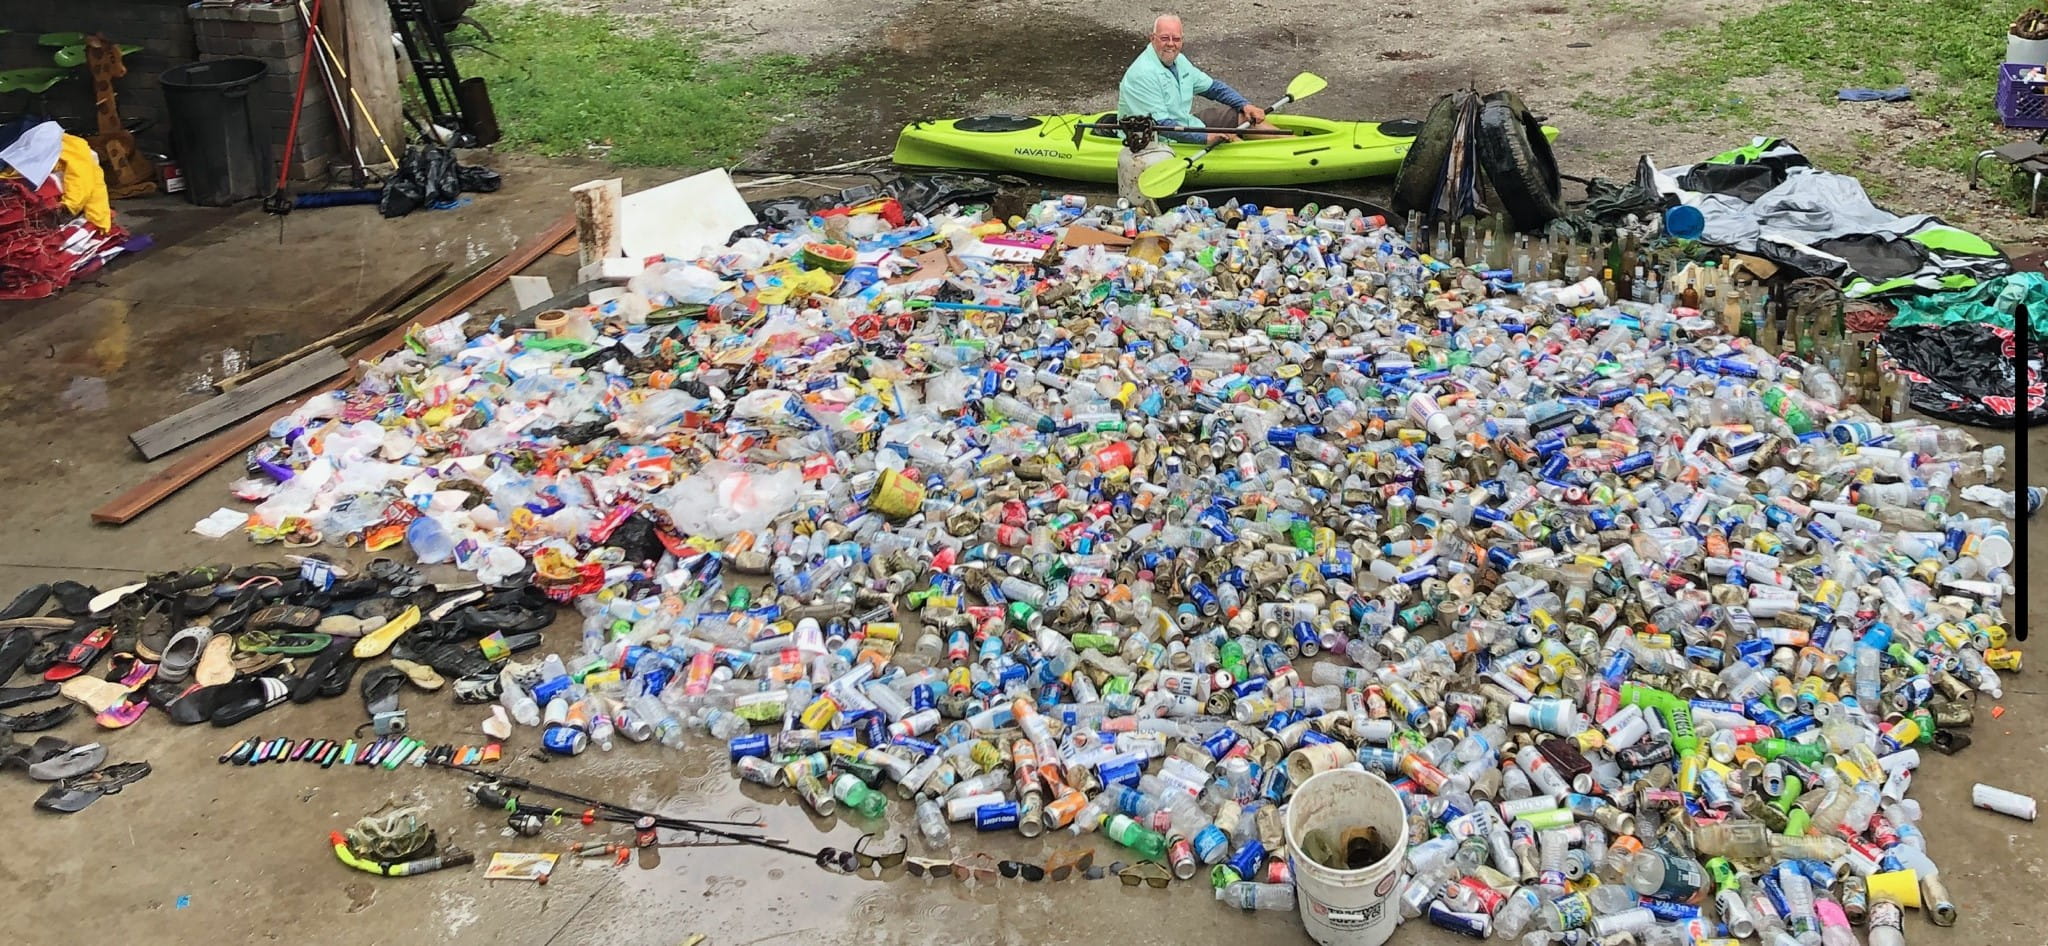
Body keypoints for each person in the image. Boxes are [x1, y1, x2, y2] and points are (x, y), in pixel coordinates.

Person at [1115, 14, 1281, 207]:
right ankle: (1273, 156)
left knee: (1244, 116)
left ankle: (1291, 146)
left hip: (1186, 124)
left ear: (1181, 41)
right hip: (1156, 140)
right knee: (1229, 139)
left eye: (1176, 39)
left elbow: (1213, 88)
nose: (1171, 44)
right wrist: (1206, 137)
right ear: (1153, 38)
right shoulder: (1143, 74)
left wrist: (1245, 104)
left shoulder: (1179, 61)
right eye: (1164, 38)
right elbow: (1162, 126)